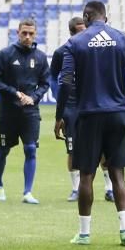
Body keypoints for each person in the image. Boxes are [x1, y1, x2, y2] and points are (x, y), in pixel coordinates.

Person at [59, 0, 125, 247]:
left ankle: (84, 233)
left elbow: (65, 81)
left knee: (86, 174)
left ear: (86, 17)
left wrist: (59, 116)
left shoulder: (75, 42)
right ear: (105, 17)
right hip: (118, 113)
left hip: (88, 114)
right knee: (117, 173)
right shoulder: (124, 39)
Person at [0, 18, 50, 204]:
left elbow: (45, 83)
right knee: (3, 149)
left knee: (31, 149)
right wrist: (15, 93)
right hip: (8, 112)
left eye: (31, 33)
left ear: (35, 34)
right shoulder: (6, 54)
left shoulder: (40, 57)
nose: (27, 36)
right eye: (24, 33)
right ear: (17, 33)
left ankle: (27, 192)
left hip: (30, 112)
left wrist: (34, 97)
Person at [51, 16, 87, 201]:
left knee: (103, 149)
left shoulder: (92, 50)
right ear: (72, 32)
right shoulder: (61, 52)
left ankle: (109, 187)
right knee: (72, 149)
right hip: (70, 107)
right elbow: (52, 77)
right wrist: (60, 99)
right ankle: (75, 188)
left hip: (90, 105)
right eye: (81, 31)